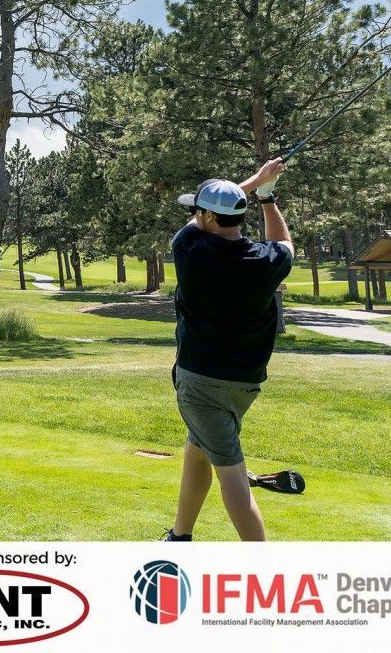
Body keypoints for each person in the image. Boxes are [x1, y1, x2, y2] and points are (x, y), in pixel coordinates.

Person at [160, 158, 292, 542]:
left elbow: (211, 210)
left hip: (201, 381)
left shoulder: (188, 248)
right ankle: (179, 536)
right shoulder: (267, 260)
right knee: (197, 449)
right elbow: (284, 241)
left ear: (206, 216)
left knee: (232, 476)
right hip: (245, 383)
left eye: (198, 210)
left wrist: (256, 181)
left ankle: (265, 577)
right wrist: (267, 195)